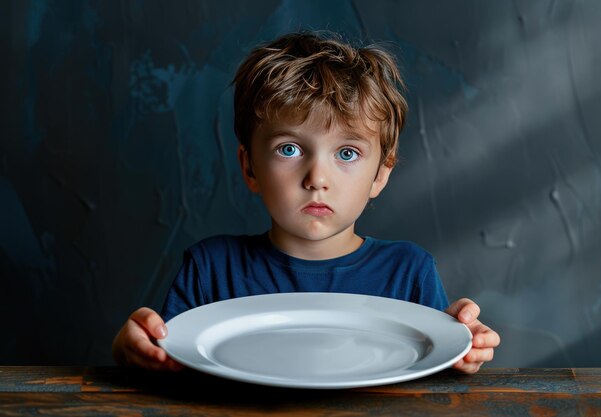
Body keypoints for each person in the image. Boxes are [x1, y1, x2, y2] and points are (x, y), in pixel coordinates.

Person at [112, 31, 500, 374]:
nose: (317, 179)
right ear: (250, 168)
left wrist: (464, 349)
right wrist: (132, 349)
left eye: (347, 153)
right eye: (290, 148)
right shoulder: (211, 269)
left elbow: (434, 374)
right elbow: (167, 363)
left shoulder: (409, 272)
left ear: (381, 173)